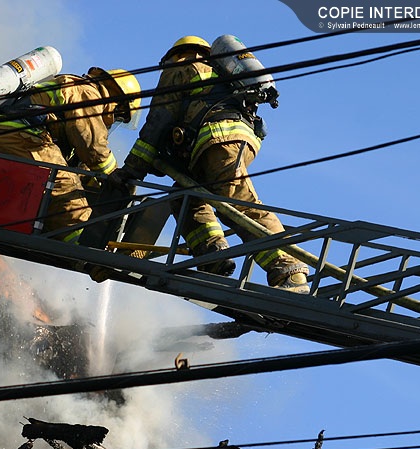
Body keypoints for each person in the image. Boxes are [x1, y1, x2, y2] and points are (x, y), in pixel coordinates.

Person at [111, 36, 310, 293]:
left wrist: (132, 170)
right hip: (228, 142)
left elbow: (157, 122)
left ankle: (290, 270)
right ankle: (213, 254)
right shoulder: (218, 77)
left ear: (176, 55)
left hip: (218, 140)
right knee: (185, 199)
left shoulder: (183, 68)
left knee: (238, 203)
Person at [0, 67, 141, 244]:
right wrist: (115, 175)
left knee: (49, 193)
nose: (112, 121)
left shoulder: (71, 89)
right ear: (120, 104)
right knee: (64, 187)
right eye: (119, 117)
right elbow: (92, 145)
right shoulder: (87, 92)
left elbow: (80, 163)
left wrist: (97, 184)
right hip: (22, 139)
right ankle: (82, 247)